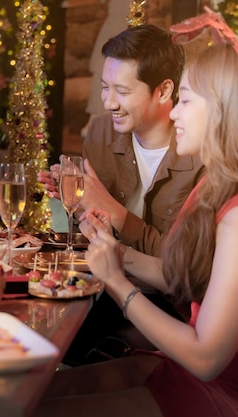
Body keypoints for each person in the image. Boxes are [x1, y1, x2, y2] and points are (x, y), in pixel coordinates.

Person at [34, 42, 238, 417]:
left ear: (224, 111)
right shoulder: (212, 188)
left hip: (215, 385)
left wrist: (117, 283)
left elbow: (207, 359)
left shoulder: (234, 214)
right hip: (182, 365)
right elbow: (182, 274)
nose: (174, 112)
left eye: (187, 100)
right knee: (28, 396)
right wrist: (111, 247)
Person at [39, 24, 205, 257]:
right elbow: (88, 229)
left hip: (162, 291)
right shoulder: (101, 131)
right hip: (100, 280)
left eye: (123, 92)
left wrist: (112, 209)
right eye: (105, 88)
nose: (109, 103)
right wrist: (78, 201)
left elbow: (183, 263)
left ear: (164, 91)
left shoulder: (201, 156)